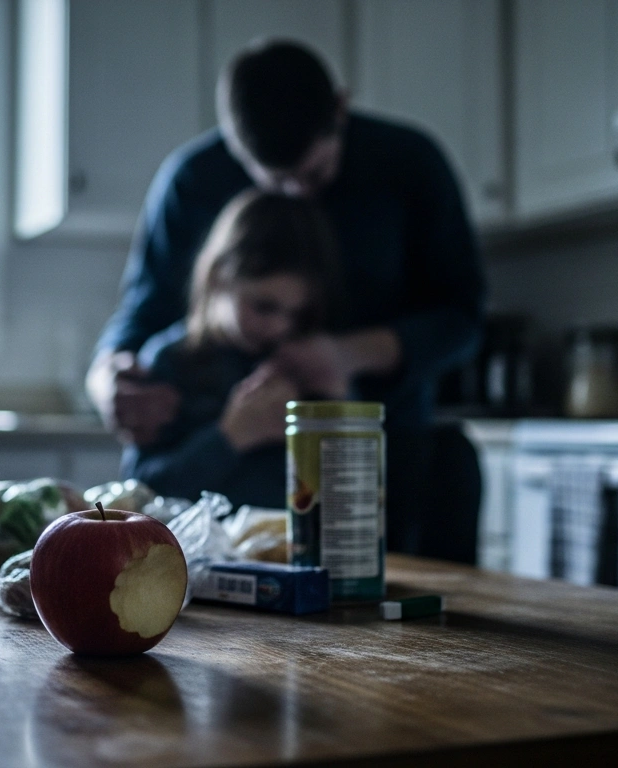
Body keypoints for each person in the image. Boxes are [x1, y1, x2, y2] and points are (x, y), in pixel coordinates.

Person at [88, 39, 486, 563]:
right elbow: (142, 314)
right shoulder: (192, 179)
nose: (297, 199)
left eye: (315, 175)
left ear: (340, 109)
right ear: (231, 142)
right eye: (272, 181)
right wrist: (105, 381)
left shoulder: (410, 164)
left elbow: (462, 317)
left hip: (388, 438)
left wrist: (346, 359)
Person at [123, 190, 341, 508]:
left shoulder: (305, 366)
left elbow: (337, 494)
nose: (281, 327)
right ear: (218, 277)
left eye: (298, 314)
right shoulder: (170, 361)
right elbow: (137, 492)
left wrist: (334, 408)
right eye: (264, 307)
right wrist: (231, 436)